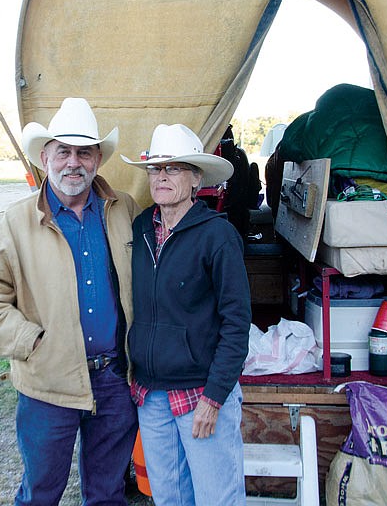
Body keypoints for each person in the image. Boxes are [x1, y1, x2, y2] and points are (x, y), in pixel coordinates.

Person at [0, 98, 140, 506]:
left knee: (108, 494)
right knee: (41, 492)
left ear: (97, 160)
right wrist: (30, 342)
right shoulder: (16, 221)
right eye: (64, 151)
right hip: (48, 385)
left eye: (84, 152)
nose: (73, 163)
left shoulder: (123, 209)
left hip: (114, 380)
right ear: (45, 158)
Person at [121, 124, 252, 505]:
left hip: (200, 393)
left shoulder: (218, 236)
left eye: (174, 168)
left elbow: (236, 323)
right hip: (151, 392)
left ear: (196, 179)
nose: (161, 177)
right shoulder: (142, 227)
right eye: (156, 168)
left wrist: (214, 398)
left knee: (216, 497)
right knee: (168, 497)